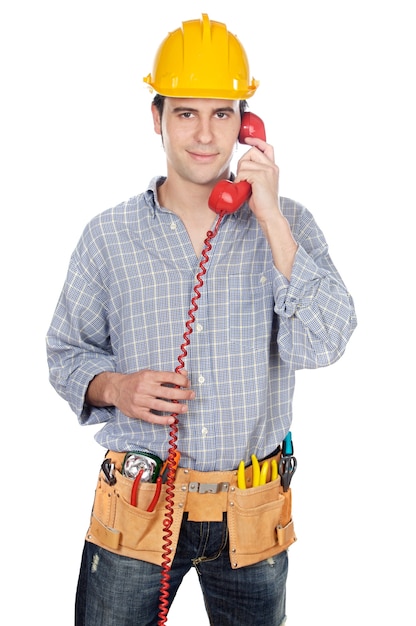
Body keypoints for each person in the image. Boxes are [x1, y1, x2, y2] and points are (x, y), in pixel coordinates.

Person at [46, 13, 357, 626]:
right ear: (157, 118)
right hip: (138, 504)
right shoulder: (108, 236)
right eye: (187, 112)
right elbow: (65, 353)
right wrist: (114, 387)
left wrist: (269, 218)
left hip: (252, 512)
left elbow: (325, 341)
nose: (206, 134)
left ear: (247, 126)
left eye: (223, 113)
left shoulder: (287, 227)